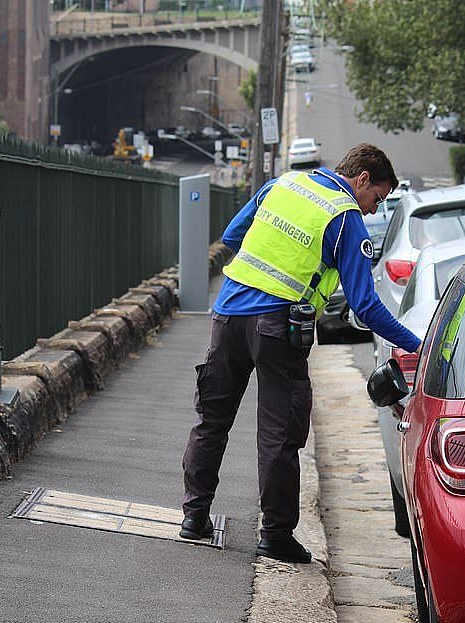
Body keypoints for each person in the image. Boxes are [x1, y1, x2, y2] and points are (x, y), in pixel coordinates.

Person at [180, 143, 421, 563]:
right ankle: (274, 536)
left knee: (211, 421)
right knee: (279, 434)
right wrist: (417, 344)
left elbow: (234, 236)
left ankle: (193, 516)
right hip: (277, 330)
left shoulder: (284, 184)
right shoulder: (345, 220)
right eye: (376, 199)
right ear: (362, 178)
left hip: (228, 315)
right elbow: (364, 306)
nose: (371, 210)